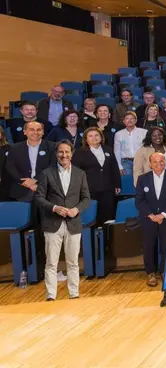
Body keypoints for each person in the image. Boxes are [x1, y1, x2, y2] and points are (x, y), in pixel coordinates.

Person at [35, 140, 90, 301]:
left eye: (67, 152)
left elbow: (86, 198)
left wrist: (76, 210)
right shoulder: (46, 173)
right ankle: (51, 295)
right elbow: (39, 198)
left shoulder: (80, 174)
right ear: (56, 153)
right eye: (61, 152)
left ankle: (74, 293)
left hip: (73, 223)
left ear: (71, 154)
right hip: (52, 223)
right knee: (51, 263)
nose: (64, 155)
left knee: (73, 262)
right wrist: (55, 208)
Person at [135, 152, 166, 287]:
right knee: (149, 246)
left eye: (161, 161)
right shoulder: (142, 179)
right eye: (155, 162)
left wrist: (163, 215)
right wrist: (152, 216)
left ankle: (165, 271)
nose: (159, 164)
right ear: (150, 164)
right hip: (149, 219)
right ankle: (150, 273)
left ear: (165, 162)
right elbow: (139, 201)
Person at [72, 127, 121, 227]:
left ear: (101, 137)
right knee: (93, 216)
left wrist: (117, 184)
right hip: (89, 189)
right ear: (86, 139)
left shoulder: (108, 149)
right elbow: (75, 172)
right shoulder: (79, 153)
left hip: (108, 188)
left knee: (108, 214)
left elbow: (114, 168)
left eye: (96, 135)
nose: (94, 138)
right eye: (90, 136)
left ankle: (106, 235)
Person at [5, 121, 57, 202]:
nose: (35, 132)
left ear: (43, 132)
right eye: (32, 129)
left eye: (39, 130)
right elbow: (10, 166)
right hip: (22, 189)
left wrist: (36, 180)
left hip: (47, 189)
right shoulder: (14, 148)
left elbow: (53, 165)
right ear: (25, 132)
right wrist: (25, 182)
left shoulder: (53, 146)